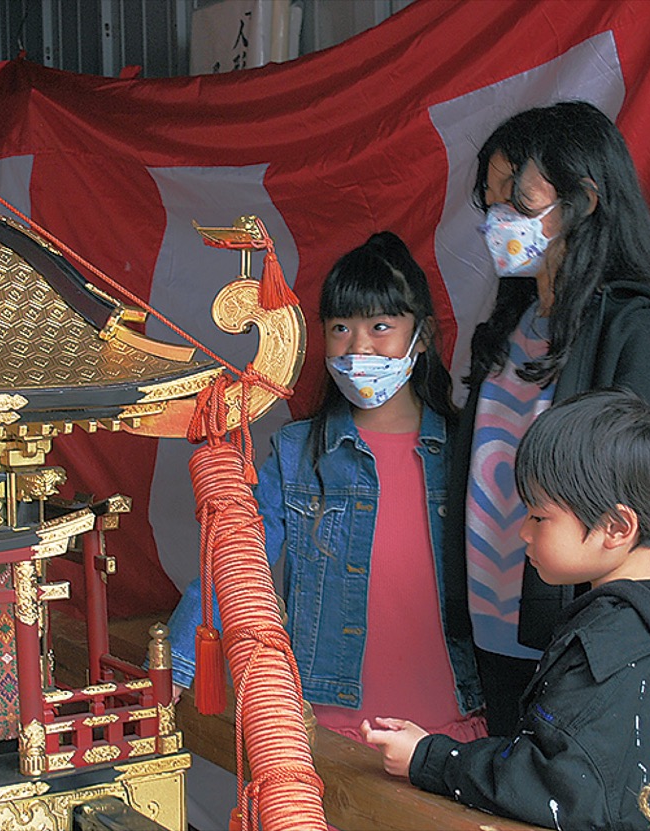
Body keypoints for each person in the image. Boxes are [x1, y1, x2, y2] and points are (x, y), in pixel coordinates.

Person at [446, 100, 650, 736]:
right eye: (490, 204)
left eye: (517, 202)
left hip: (590, 650)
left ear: (584, 199)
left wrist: (609, 641)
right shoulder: (509, 331)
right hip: (496, 637)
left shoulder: (645, 338)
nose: (497, 221)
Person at [362, 389, 650, 831]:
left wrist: (427, 757)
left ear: (616, 527)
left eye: (540, 517)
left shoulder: (607, 648)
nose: (524, 532)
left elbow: (552, 784)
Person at [167, 231, 485, 743]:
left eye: (381, 327)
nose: (359, 347)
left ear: (421, 336)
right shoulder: (297, 454)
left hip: (452, 728)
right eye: (341, 328)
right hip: (330, 730)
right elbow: (234, 560)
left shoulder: (465, 450)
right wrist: (179, 663)